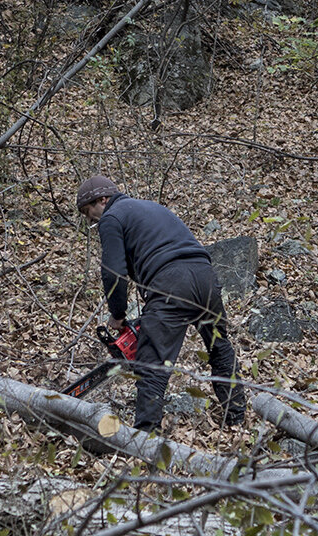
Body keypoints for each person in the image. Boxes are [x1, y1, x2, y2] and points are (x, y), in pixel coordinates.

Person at [75, 175, 243, 432]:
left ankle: (144, 439)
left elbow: (112, 272)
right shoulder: (150, 207)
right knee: (219, 348)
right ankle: (237, 420)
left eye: (89, 212)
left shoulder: (111, 217)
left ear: (102, 200)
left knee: (151, 367)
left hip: (170, 283)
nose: (91, 221)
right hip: (205, 276)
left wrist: (117, 314)